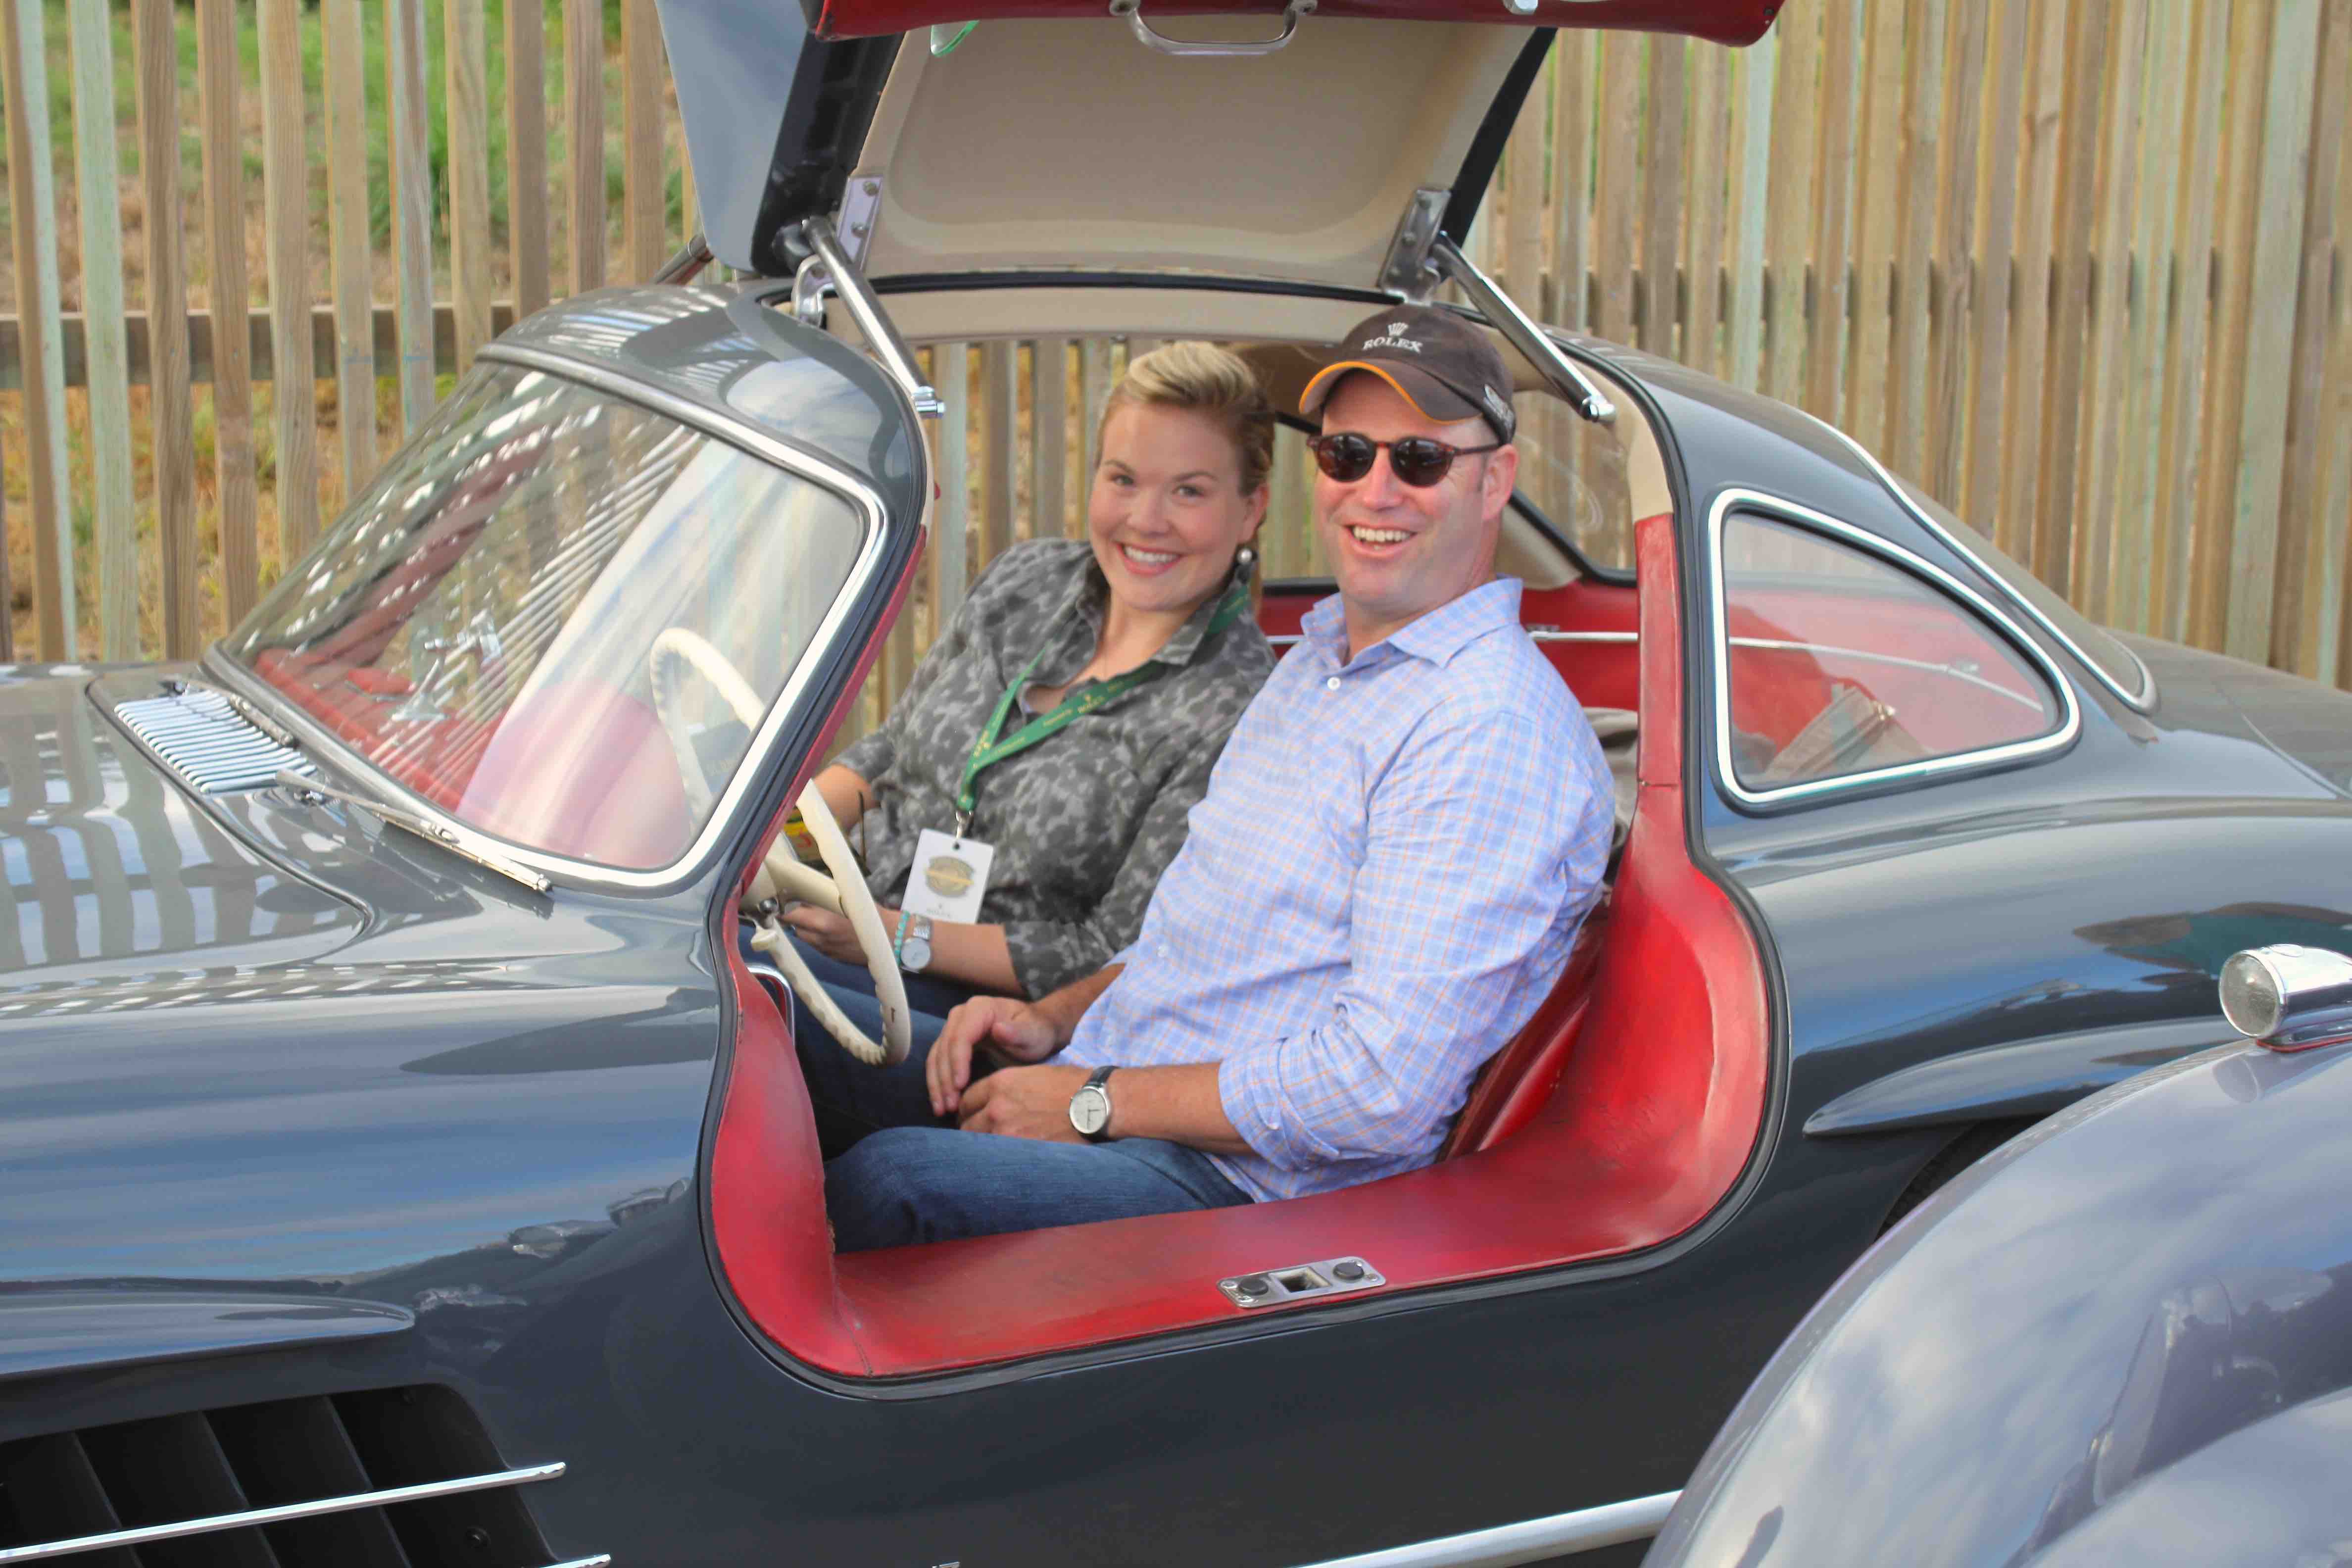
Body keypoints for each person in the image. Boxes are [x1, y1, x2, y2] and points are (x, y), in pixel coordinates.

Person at [821, 306, 1616, 1252]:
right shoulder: (1319, 665)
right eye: (1348, 454)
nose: (1375, 489)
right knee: (766, 1036)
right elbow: (1183, 947)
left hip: (1237, 1183)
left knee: (885, 1183)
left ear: (1496, 482)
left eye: (1420, 462)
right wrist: (1050, 1022)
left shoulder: (1485, 729)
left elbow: (1380, 1089)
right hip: (1113, 1079)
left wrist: (1089, 1102)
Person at [772, 343, 1278, 1140]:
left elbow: (1114, 950)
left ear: (1252, 509)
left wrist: (896, 935)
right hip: (853, 920)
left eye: (1190, 491)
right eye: (1123, 479)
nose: (1146, 520)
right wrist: (778, 838)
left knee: (754, 1013)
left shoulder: (1240, 702)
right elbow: (894, 751)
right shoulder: (1027, 579)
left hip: (993, 1020)